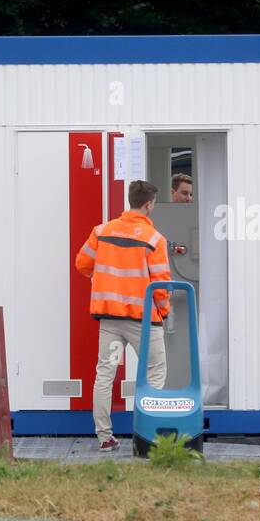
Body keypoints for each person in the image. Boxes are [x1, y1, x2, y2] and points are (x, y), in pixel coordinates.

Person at [75, 180, 171, 451]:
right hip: (143, 321)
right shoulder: (154, 239)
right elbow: (161, 283)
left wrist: (104, 278)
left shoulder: (102, 231)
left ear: (130, 201)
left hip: (110, 319)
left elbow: (82, 263)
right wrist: (163, 311)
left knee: (105, 374)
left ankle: (105, 437)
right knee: (153, 374)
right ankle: (147, 436)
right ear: (149, 205)